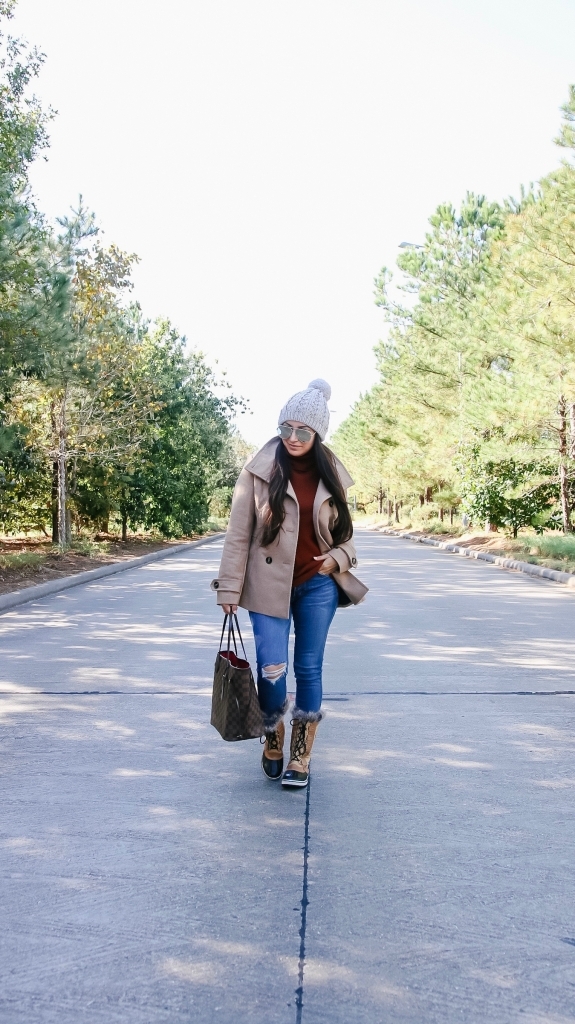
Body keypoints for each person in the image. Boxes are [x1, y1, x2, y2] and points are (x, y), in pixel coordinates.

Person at [211, 379, 368, 788]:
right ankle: (272, 733)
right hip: (267, 584)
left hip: (318, 585)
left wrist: (336, 559)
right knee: (272, 669)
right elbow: (238, 535)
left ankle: (301, 753)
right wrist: (229, 588)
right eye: (286, 428)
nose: (293, 437)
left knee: (309, 668)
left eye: (303, 431)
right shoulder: (258, 470)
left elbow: (347, 537)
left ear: (318, 434)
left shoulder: (330, 473)